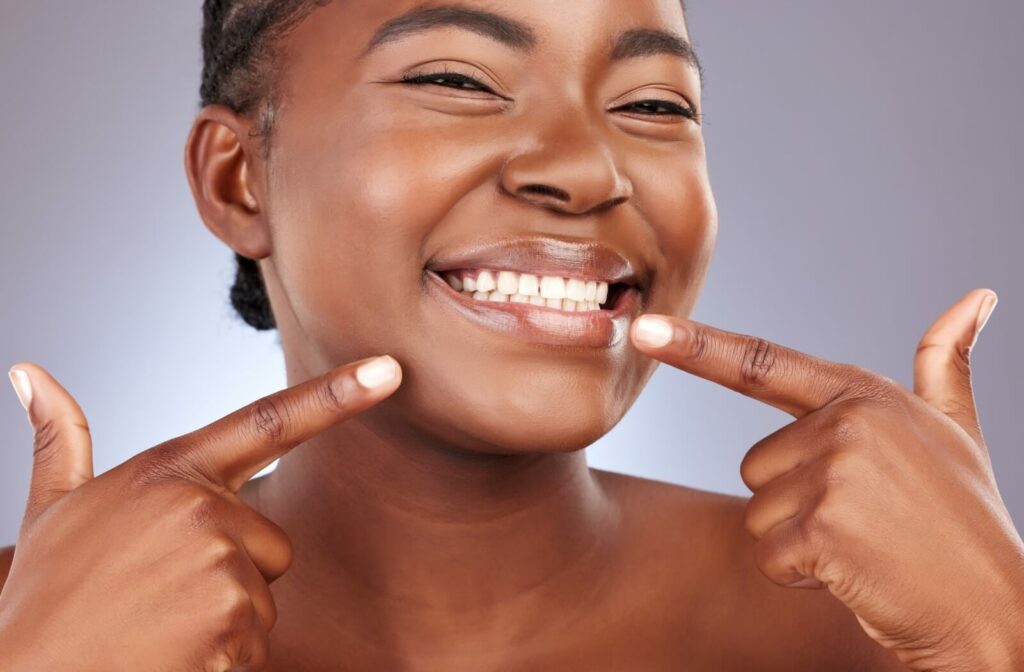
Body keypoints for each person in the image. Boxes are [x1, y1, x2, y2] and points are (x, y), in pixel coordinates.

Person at [1, 2, 1022, 670]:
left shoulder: (893, 630)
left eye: (653, 103)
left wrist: (996, 633)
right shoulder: (35, 634)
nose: (586, 171)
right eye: (457, 81)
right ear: (238, 176)